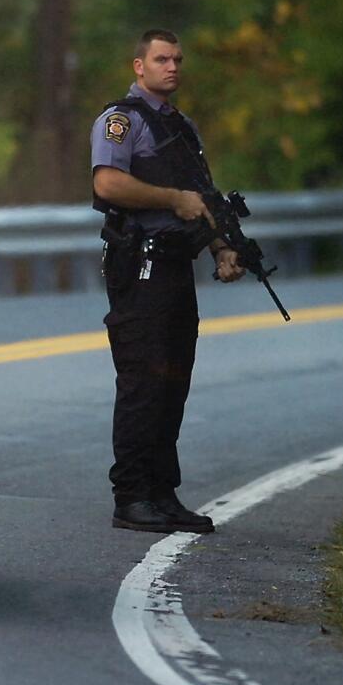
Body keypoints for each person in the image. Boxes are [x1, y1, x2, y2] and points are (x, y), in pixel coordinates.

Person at [91, 28, 245, 534]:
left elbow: (202, 196)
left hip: (178, 266)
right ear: (139, 66)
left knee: (174, 381)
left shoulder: (182, 127)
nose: (172, 67)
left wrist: (223, 247)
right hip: (140, 266)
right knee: (143, 381)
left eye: (178, 58)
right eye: (161, 59)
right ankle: (131, 496)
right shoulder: (122, 121)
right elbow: (107, 182)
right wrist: (170, 199)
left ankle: (162, 492)